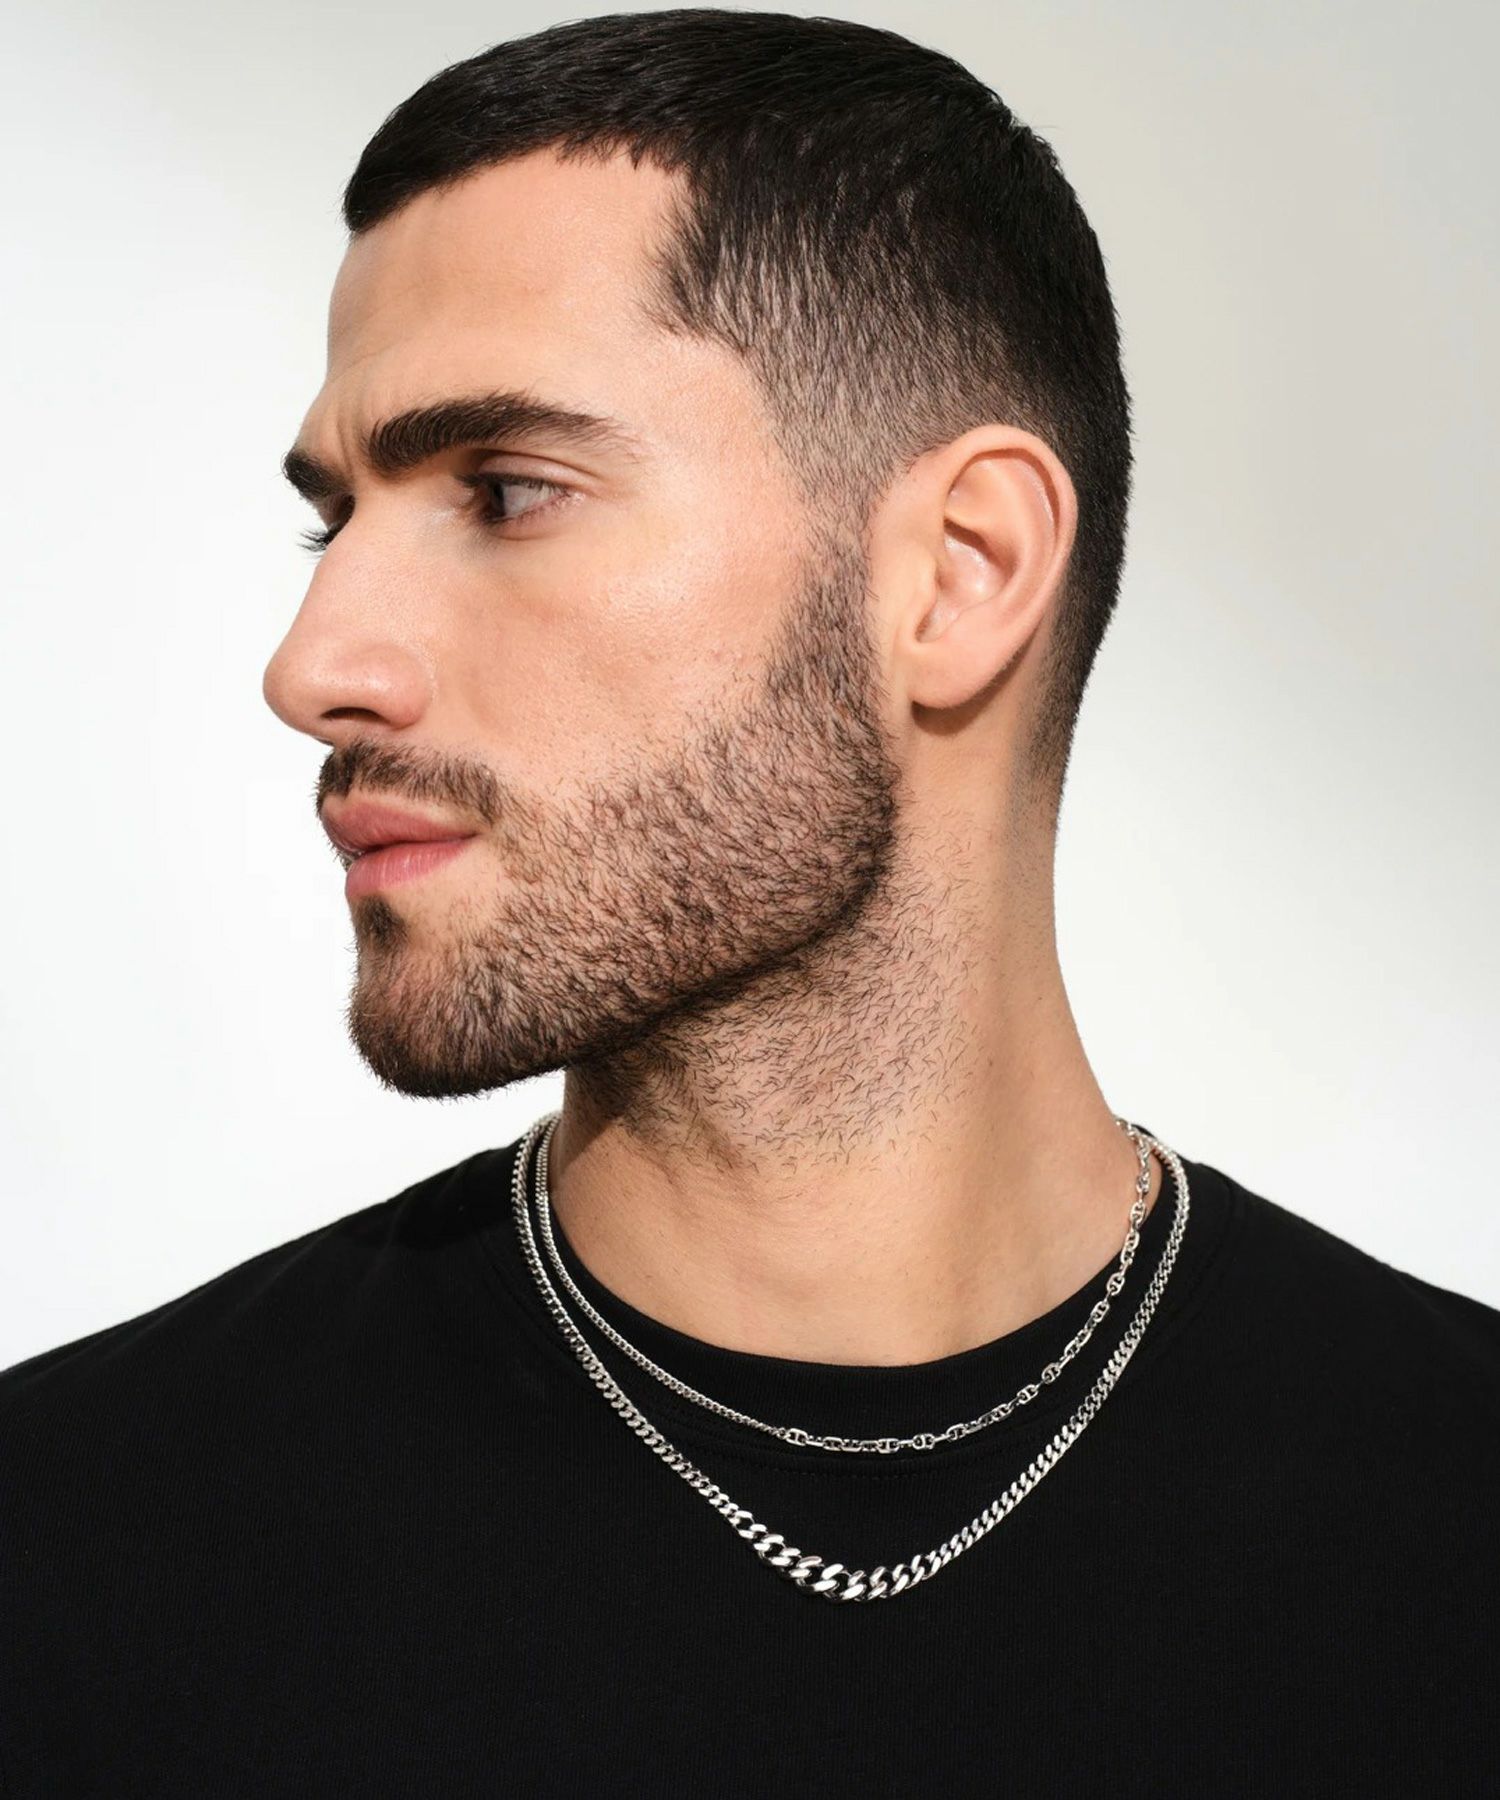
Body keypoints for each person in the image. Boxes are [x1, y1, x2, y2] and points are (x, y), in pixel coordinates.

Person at [2, 9, 1496, 1794]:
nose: (315, 666)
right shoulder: (68, 1553)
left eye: (506, 491)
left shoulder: (1452, 1522)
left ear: (960, 574)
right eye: (337, 519)